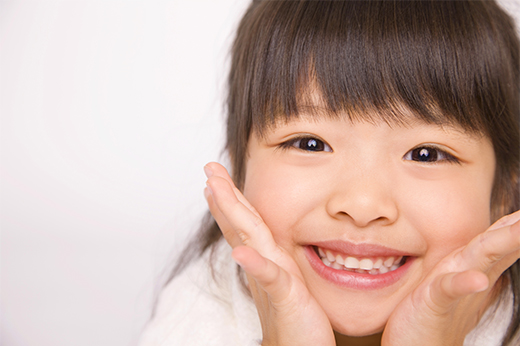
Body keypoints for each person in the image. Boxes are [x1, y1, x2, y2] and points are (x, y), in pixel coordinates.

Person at [139, 1, 520, 345]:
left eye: (426, 154)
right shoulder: (196, 318)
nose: (362, 204)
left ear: (504, 188)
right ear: (239, 170)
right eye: (310, 144)